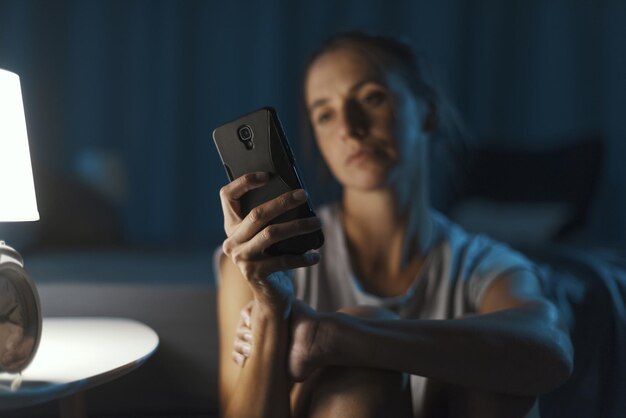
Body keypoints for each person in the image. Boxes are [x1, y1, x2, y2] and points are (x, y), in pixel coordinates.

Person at [215, 32, 573, 418]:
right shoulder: (265, 258)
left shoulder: (481, 264)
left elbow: (549, 349)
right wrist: (270, 310)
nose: (349, 128)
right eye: (325, 113)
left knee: (500, 380)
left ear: (428, 112)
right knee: (364, 369)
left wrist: (334, 338)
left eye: (372, 98)